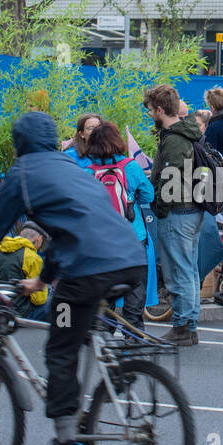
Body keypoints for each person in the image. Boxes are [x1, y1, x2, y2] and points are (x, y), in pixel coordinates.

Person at [0, 112, 147, 445]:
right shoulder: (70, 167)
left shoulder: (23, 174)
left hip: (88, 270)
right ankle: (111, 374)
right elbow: (70, 230)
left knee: (59, 348)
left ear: (20, 142)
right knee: (78, 327)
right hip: (130, 261)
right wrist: (42, 279)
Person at [146, 84, 204, 346]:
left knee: (178, 272)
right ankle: (189, 326)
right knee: (189, 270)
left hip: (177, 213)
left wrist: (158, 206)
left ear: (160, 109)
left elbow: (171, 180)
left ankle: (181, 326)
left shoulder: (173, 139)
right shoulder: (189, 133)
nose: (149, 115)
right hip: (192, 210)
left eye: (150, 110)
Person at [82, 120, 154, 330]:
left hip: (101, 240)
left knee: (105, 287)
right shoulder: (130, 166)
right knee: (136, 287)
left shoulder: (88, 172)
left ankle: (105, 333)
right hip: (133, 236)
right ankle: (132, 333)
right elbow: (149, 195)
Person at [0, 222, 51, 320]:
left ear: (21, 234)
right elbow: (39, 300)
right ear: (39, 239)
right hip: (22, 315)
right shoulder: (33, 258)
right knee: (55, 296)